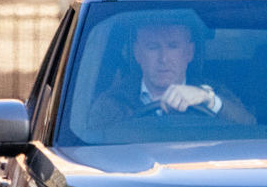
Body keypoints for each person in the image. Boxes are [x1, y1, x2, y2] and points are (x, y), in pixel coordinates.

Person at [89, 23, 255, 127]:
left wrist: (209, 100)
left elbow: (250, 126)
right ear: (137, 53)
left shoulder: (213, 93)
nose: (163, 58)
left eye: (173, 46)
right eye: (153, 47)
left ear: (189, 52)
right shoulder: (112, 102)